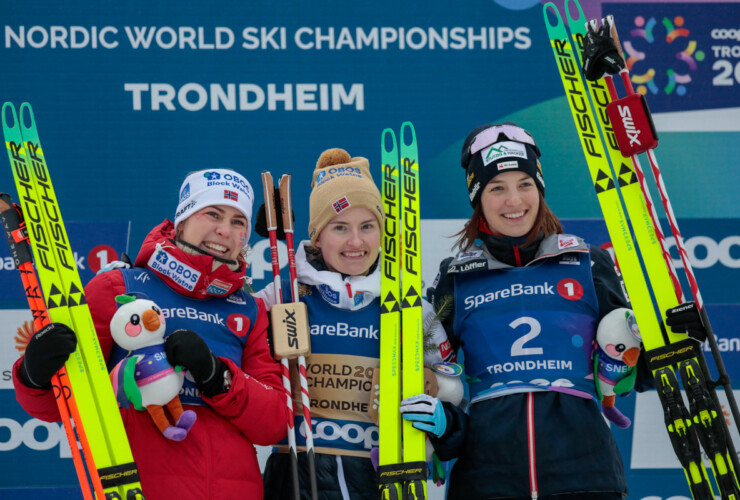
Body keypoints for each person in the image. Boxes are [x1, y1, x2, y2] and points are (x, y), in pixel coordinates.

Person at [13, 168, 291, 500]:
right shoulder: (119, 288)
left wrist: (217, 377)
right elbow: (60, 405)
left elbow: (274, 423)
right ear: (183, 221)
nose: (224, 230)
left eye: (238, 222)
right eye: (213, 214)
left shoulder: (250, 309)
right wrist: (35, 373)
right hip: (137, 486)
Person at [400, 123, 636, 499]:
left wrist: (674, 337)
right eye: (497, 188)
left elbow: (638, 371)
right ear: (479, 199)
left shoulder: (588, 264)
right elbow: (432, 381)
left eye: (524, 184)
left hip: (585, 479)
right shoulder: (457, 278)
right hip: (488, 483)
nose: (514, 201)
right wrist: (442, 425)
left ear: (540, 189)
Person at [257, 148, 454, 500]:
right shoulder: (282, 297)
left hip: (381, 478)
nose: (355, 241)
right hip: (298, 479)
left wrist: (438, 406)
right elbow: (234, 338)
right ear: (316, 235)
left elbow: (449, 388)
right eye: (340, 228)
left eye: (367, 227)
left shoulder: (409, 308)